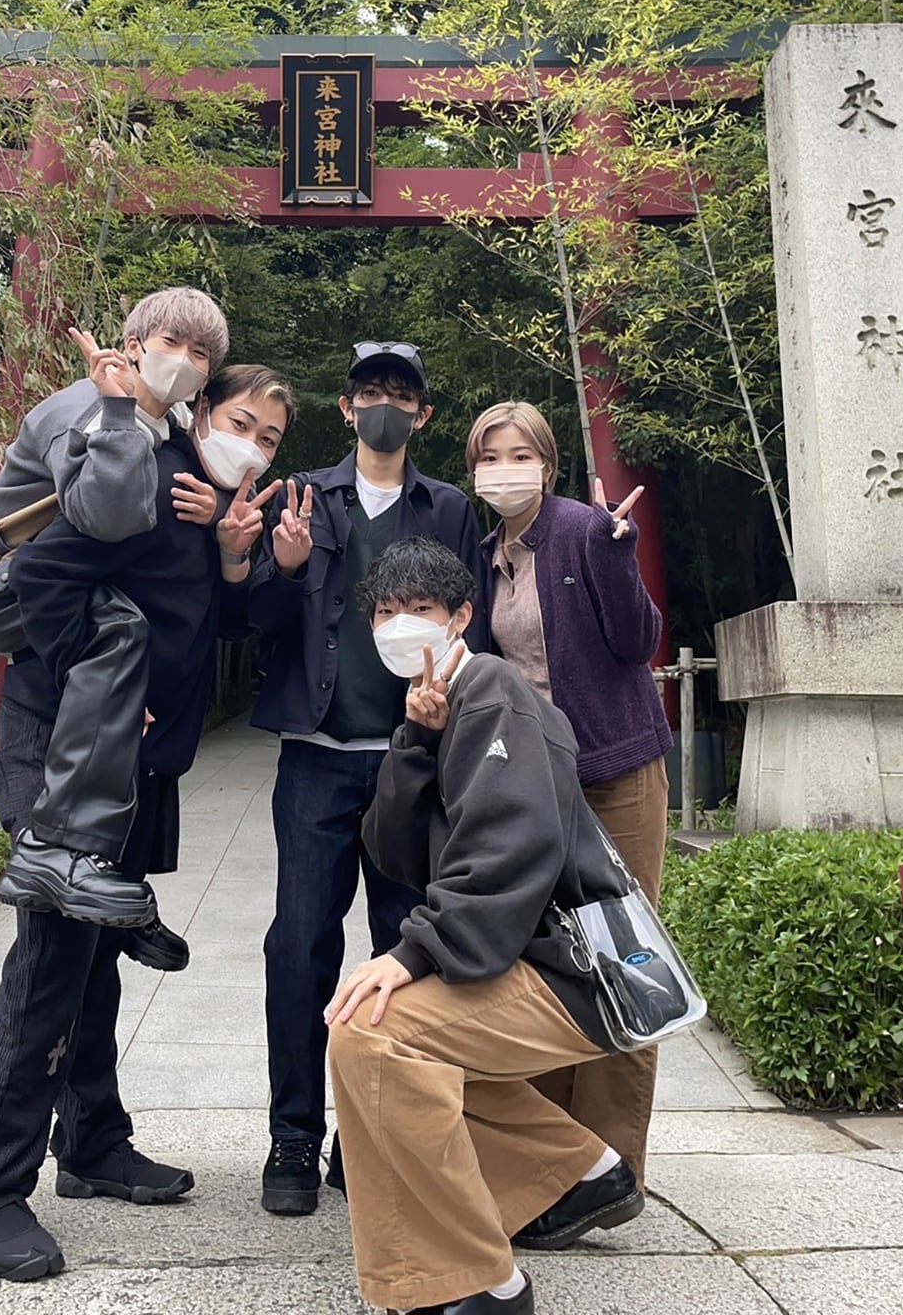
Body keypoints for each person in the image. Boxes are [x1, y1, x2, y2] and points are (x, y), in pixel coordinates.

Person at [0, 364, 295, 1282]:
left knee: (95, 953)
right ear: (199, 411)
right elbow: (45, 573)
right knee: (52, 961)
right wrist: (88, 690)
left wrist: (230, 550)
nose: (251, 446)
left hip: (133, 767)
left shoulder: (208, 504)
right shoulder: (145, 468)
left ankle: (93, 1141)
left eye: (269, 439)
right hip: (65, 750)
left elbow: (219, 626)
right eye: (240, 422)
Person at [326, 535, 643, 1315]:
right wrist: (415, 742)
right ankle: (574, 1174)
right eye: (387, 612)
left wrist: (413, 954)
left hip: (570, 971)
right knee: (393, 1042)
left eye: (421, 609)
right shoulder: (444, 705)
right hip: (525, 958)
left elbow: (513, 851)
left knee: (373, 1035)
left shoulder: (495, 690)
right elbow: (394, 853)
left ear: (462, 616)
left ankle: (476, 1282)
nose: (402, 625)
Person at [248, 341, 482, 1215]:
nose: (386, 407)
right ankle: (293, 1135)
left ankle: (370, 1134)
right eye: (370, 393)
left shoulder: (448, 508)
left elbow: (476, 622)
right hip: (317, 755)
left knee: (402, 944)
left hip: (412, 758)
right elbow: (251, 616)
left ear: (423, 414)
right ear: (346, 408)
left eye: (402, 395)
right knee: (298, 945)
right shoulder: (303, 496)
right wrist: (285, 564)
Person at [0, 286, 230, 928]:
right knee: (121, 630)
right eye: (171, 342)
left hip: (69, 602)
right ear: (133, 346)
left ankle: (109, 892)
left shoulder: (171, 426)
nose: (184, 359)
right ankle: (49, 855)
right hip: (15, 590)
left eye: (200, 353)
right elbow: (106, 519)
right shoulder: (84, 410)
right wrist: (116, 410)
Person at [466, 400, 671, 1197]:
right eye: (489, 456)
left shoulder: (588, 530)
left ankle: (616, 1168)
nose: (504, 470)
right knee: (546, 962)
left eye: (520, 455)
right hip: (535, 783)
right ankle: (556, 1168)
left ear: (548, 466)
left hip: (615, 773)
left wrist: (619, 554)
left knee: (624, 955)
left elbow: (637, 642)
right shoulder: (485, 554)